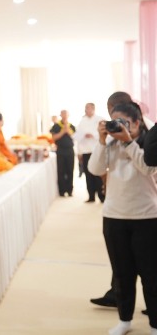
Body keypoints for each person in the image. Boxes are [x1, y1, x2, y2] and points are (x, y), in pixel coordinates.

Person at [88, 102, 157, 335]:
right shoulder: (110, 144)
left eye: (123, 121)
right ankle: (124, 320)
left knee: (151, 275)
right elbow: (95, 169)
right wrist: (101, 141)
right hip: (114, 217)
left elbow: (147, 168)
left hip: (147, 217)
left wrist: (128, 142)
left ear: (137, 122)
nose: (118, 125)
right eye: (114, 120)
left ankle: (155, 324)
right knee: (122, 273)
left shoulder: (150, 142)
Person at [75, 103, 105, 203]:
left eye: (88, 108)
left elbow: (104, 133)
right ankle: (91, 196)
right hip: (85, 150)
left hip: (97, 150)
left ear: (93, 109)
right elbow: (78, 136)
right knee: (88, 174)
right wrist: (79, 152)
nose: (86, 110)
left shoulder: (100, 119)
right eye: (85, 108)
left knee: (98, 173)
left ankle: (101, 196)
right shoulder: (82, 121)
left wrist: (93, 135)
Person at [50, 110, 76, 197]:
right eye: (63, 114)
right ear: (60, 115)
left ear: (68, 115)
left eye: (66, 114)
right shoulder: (56, 126)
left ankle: (70, 190)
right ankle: (62, 191)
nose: (64, 115)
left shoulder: (71, 126)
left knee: (70, 170)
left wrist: (67, 130)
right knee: (61, 171)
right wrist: (62, 131)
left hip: (70, 150)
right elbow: (54, 138)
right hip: (60, 150)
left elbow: (75, 137)